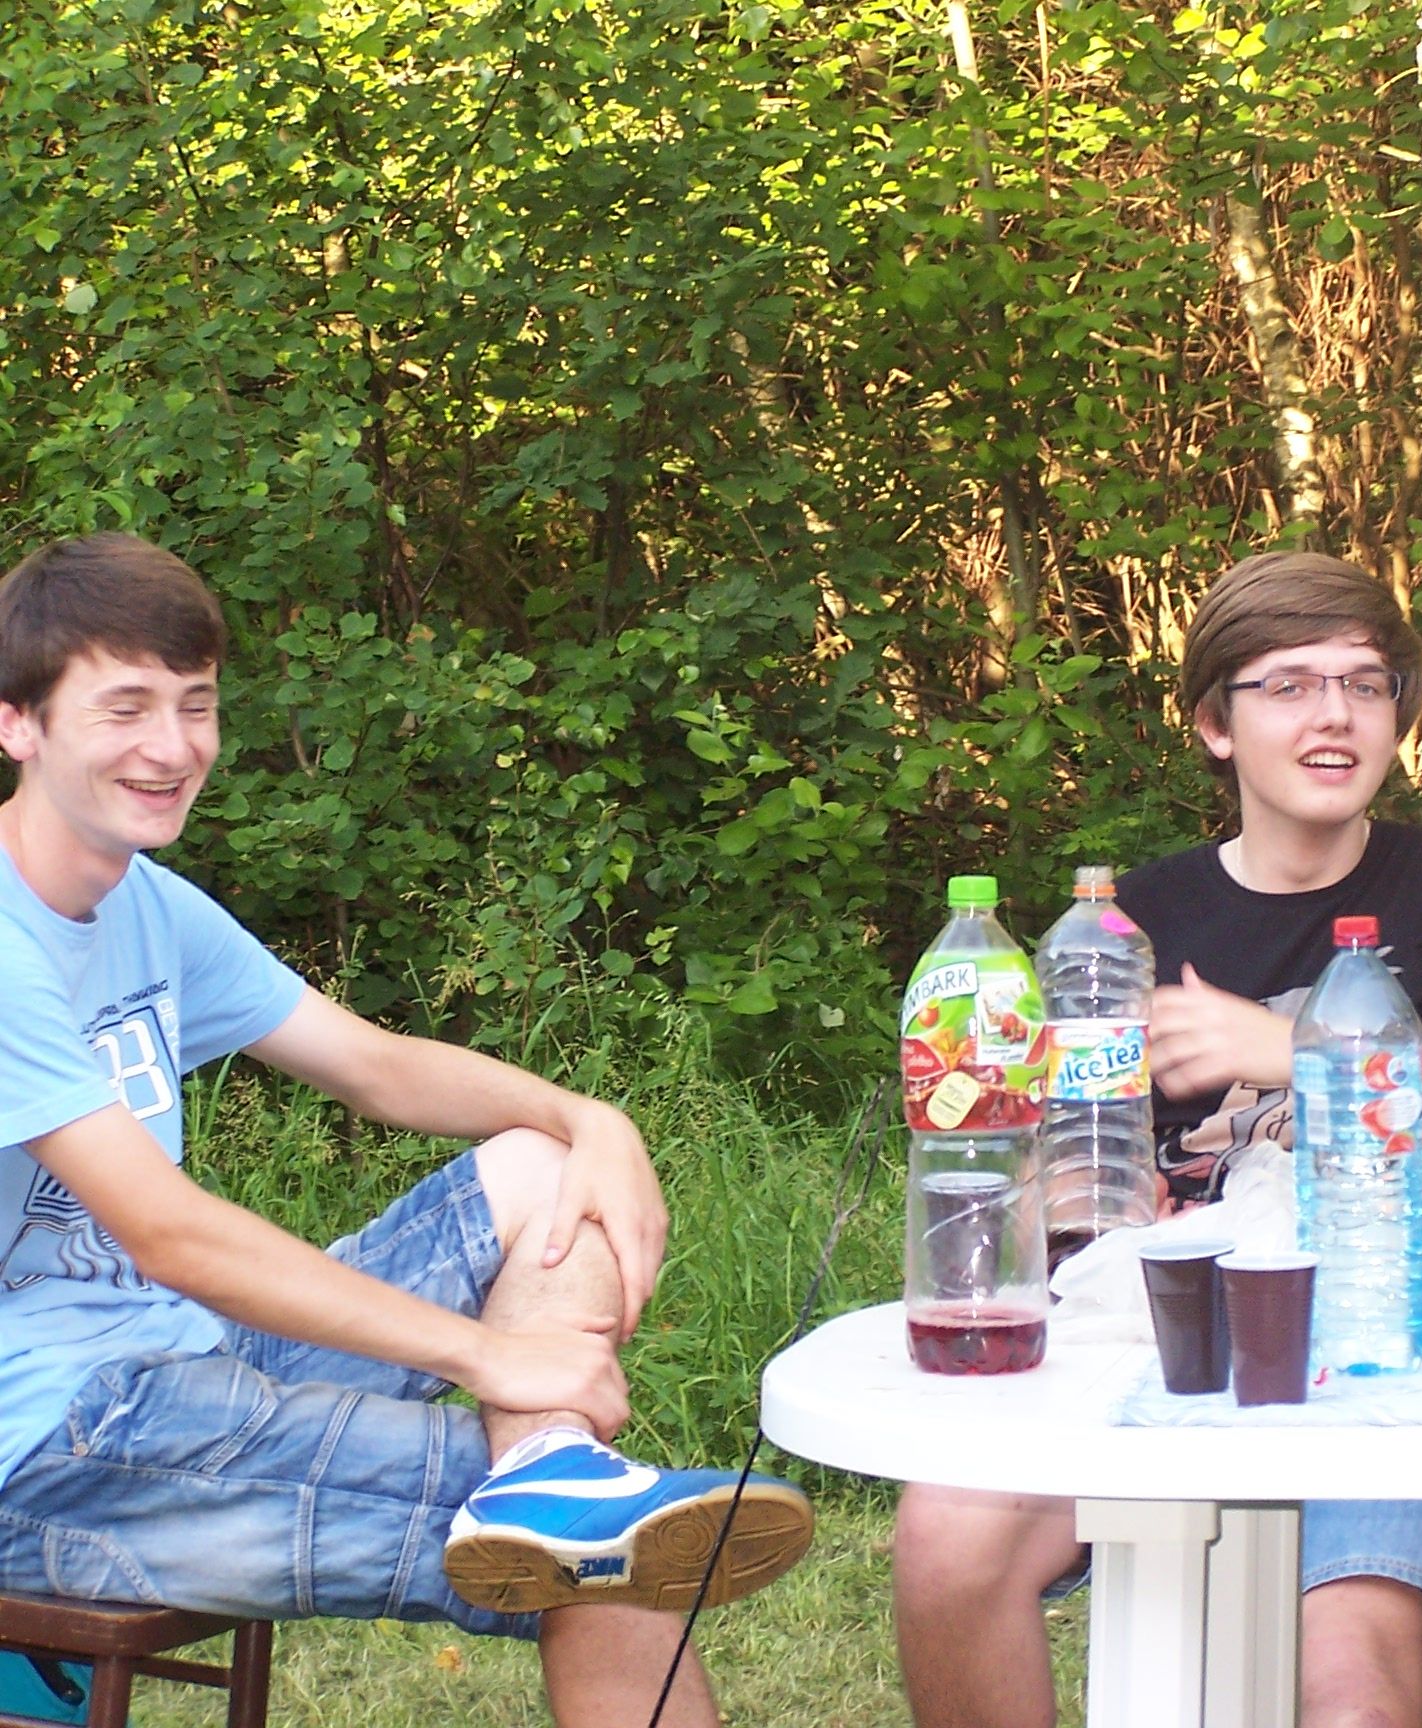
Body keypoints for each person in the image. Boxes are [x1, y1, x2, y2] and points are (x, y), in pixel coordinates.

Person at [0, 533, 815, 1728]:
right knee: (608, 1551)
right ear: (17, 724)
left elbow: (376, 1067)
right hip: (42, 1446)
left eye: (196, 704)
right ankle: (554, 1489)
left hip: (171, 1358)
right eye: (124, 708)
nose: (171, 746)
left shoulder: (148, 905)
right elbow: (171, 1234)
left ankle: (548, 1470)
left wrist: (588, 1116)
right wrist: (486, 1357)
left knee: (538, 1170)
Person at [892, 550, 1422, 1728]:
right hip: (1169, 1340)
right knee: (946, 1542)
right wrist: (1081, 1198)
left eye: (1364, 685)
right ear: (1217, 725)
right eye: (1290, 686)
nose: (1335, 715)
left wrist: (1294, 1053)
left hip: (1395, 1348)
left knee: (1347, 1691)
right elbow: (1068, 1174)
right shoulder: (1129, 924)